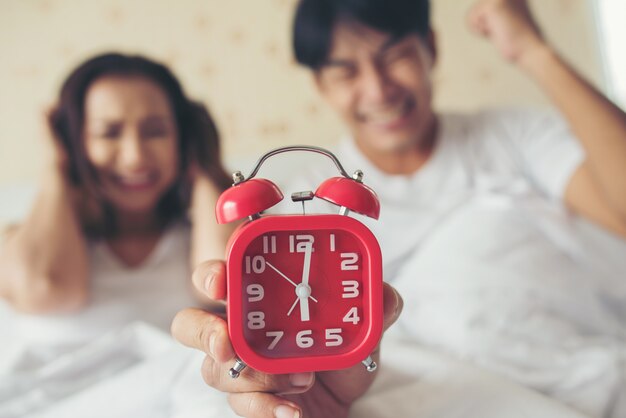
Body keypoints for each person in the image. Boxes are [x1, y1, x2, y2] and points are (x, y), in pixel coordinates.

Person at [172, 0, 626, 417]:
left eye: (394, 56)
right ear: (320, 84)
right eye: (345, 71)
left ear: (430, 47)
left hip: (577, 370)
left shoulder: (514, 137)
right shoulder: (298, 203)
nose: (378, 89)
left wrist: (532, 51)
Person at [0, 53, 233, 334]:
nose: (135, 157)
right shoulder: (22, 243)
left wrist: (204, 165)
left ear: (182, 139)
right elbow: (46, 288)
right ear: (73, 143)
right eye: (108, 133)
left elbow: (230, 290)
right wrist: (55, 168)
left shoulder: (198, 237)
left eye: (155, 131)